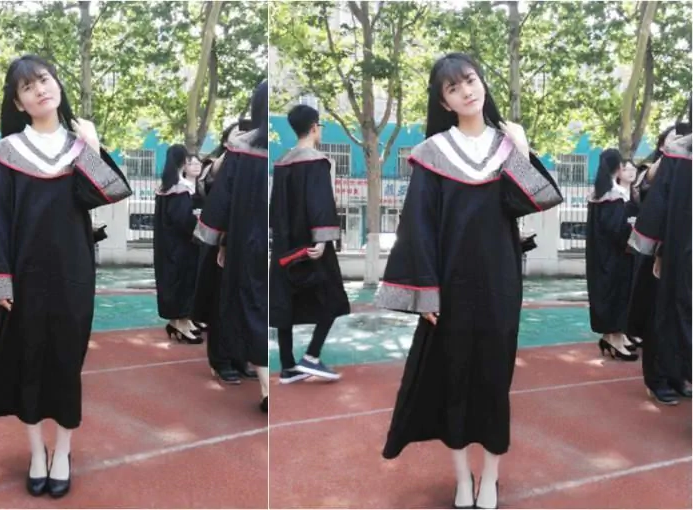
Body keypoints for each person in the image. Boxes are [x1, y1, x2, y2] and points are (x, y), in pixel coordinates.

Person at [374, 53, 562, 509]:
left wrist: (521, 148)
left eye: (471, 81)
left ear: (482, 83)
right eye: (454, 88)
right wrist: (426, 293)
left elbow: (533, 200)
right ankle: (463, 479)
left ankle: (490, 478)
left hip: (500, 283)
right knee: (454, 380)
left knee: (495, 381)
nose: (467, 92)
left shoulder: (506, 146)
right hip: (451, 288)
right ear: (444, 101)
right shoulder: (433, 153)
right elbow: (418, 227)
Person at [0, 55, 131, 498]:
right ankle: (37, 452)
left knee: (67, 363)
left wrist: (92, 145)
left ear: (57, 85)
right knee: (29, 361)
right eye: (28, 86)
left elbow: (106, 193)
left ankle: (63, 451)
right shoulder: (8, 152)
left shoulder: (78, 145)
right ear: (18, 102)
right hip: (25, 276)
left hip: (74, 273)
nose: (40, 89)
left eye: (45, 80)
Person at [195, 81, 270, 412]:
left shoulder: (247, 150)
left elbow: (222, 203)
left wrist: (217, 238)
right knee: (249, 306)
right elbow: (216, 193)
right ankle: (233, 364)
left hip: (248, 241)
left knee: (252, 306)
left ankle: (261, 381)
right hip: (254, 241)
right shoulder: (238, 151)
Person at [269, 104, 349, 384]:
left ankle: (288, 367)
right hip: (311, 247)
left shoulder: (281, 162)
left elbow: (274, 207)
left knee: (285, 302)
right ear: (314, 126)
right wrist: (323, 238)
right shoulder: (316, 161)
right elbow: (320, 202)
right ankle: (312, 356)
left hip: (285, 245)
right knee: (333, 297)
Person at [628, 132, 692, 403]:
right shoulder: (671, 158)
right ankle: (657, 379)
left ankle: (679, 375)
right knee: (661, 316)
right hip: (666, 252)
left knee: (683, 320)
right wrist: (659, 251)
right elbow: (648, 202)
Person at [194, 122, 259, 384]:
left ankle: (240, 357)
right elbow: (209, 193)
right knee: (221, 300)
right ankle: (220, 359)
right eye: (238, 133)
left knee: (243, 301)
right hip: (221, 240)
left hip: (245, 241)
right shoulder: (217, 162)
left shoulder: (251, 157)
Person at [585, 149, 639, 361]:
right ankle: (614, 338)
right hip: (615, 257)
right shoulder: (612, 196)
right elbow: (616, 230)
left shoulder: (599, 194)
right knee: (616, 295)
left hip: (600, 256)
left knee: (606, 295)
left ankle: (612, 336)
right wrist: (631, 229)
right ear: (617, 167)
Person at [153, 144, 204, 344]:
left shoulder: (164, 188)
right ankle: (181, 323)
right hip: (181, 246)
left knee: (172, 282)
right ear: (183, 161)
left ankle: (177, 322)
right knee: (183, 282)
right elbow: (183, 220)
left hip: (166, 245)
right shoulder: (180, 189)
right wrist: (197, 223)